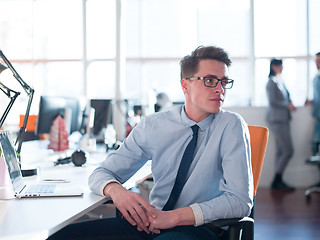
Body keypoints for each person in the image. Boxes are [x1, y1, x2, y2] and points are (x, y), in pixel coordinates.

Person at [48, 46, 253, 240]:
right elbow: (100, 175)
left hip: (201, 227)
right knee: (62, 236)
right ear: (185, 85)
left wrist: (173, 218)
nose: (220, 89)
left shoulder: (231, 125)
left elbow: (239, 200)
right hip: (150, 223)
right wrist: (116, 191)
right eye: (210, 80)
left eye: (224, 82)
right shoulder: (154, 125)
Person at [266, 58, 296, 191]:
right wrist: (287, 106)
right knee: (288, 150)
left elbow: (285, 97)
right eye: (280, 66)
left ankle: (277, 180)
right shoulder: (271, 82)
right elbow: (273, 101)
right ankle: (277, 179)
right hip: (277, 119)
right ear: (273, 66)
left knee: (281, 151)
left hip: (283, 119)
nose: (282, 68)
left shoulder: (279, 81)